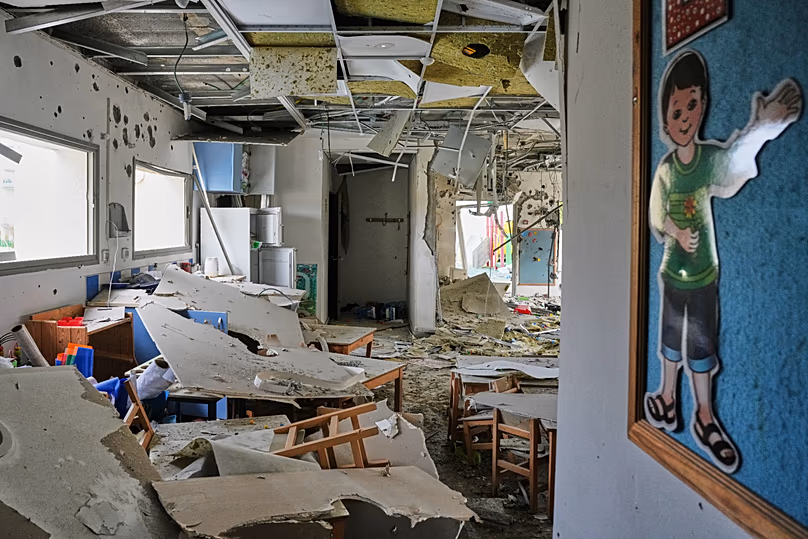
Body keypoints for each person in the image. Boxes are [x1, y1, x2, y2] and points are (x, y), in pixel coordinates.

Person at [645, 50, 802, 474]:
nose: (685, 117)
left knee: (701, 345)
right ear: (666, 119)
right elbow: (656, 215)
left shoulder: (708, 162)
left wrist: (759, 129)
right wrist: (676, 232)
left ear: (703, 107)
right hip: (672, 274)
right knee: (669, 341)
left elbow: (733, 168)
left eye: (692, 105)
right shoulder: (666, 171)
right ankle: (667, 397)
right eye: (677, 110)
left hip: (703, 275)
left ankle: (705, 415)